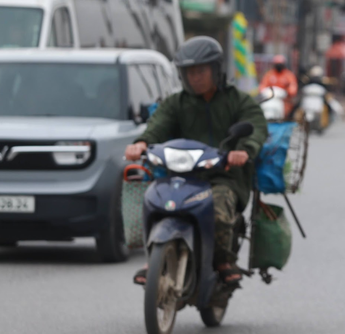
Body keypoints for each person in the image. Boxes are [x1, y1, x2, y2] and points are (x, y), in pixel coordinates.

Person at [125, 36, 269, 285]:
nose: (195, 77)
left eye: (201, 70)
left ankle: (224, 260)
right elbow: (158, 125)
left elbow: (256, 126)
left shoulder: (238, 100)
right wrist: (142, 143)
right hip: (181, 175)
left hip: (225, 176)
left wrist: (244, 150)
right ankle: (154, 257)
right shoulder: (176, 103)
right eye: (189, 72)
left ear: (216, 69)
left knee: (219, 209)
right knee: (154, 201)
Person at [260, 54, 299, 118]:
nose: (279, 66)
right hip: (270, 98)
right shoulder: (269, 74)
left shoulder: (288, 75)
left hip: (284, 100)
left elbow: (293, 87)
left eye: (280, 64)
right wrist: (265, 92)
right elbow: (263, 86)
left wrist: (287, 92)